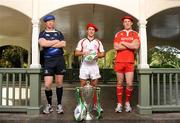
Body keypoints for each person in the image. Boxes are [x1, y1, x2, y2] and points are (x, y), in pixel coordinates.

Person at [39, 14, 66, 114]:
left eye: (52, 21)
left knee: (59, 83)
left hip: (59, 60)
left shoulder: (59, 33)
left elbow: (63, 44)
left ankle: (59, 105)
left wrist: (49, 43)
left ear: (54, 22)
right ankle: (49, 105)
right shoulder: (42, 33)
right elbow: (43, 44)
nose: (50, 23)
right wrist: (55, 42)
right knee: (47, 85)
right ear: (45, 23)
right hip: (48, 61)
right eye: (48, 21)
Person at [75, 23, 105, 111]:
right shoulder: (82, 41)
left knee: (94, 86)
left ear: (94, 32)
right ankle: (82, 105)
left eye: (93, 30)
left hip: (94, 65)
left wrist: (97, 55)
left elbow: (103, 53)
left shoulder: (98, 42)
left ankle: (95, 104)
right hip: (84, 65)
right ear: (87, 31)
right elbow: (76, 53)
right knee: (83, 85)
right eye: (90, 29)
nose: (91, 31)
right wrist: (83, 53)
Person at [113, 15, 140, 113]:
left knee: (129, 83)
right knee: (119, 83)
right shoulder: (118, 34)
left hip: (130, 62)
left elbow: (136, 46)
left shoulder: (135, 33)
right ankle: (119, 103)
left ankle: (127, 102)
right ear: (123, 23)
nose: (127, 23)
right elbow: (116, 47)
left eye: (129, 21)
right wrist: (130, 45)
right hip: (119, 61)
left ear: (132, 23)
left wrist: (123, 43)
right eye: (125, 22)